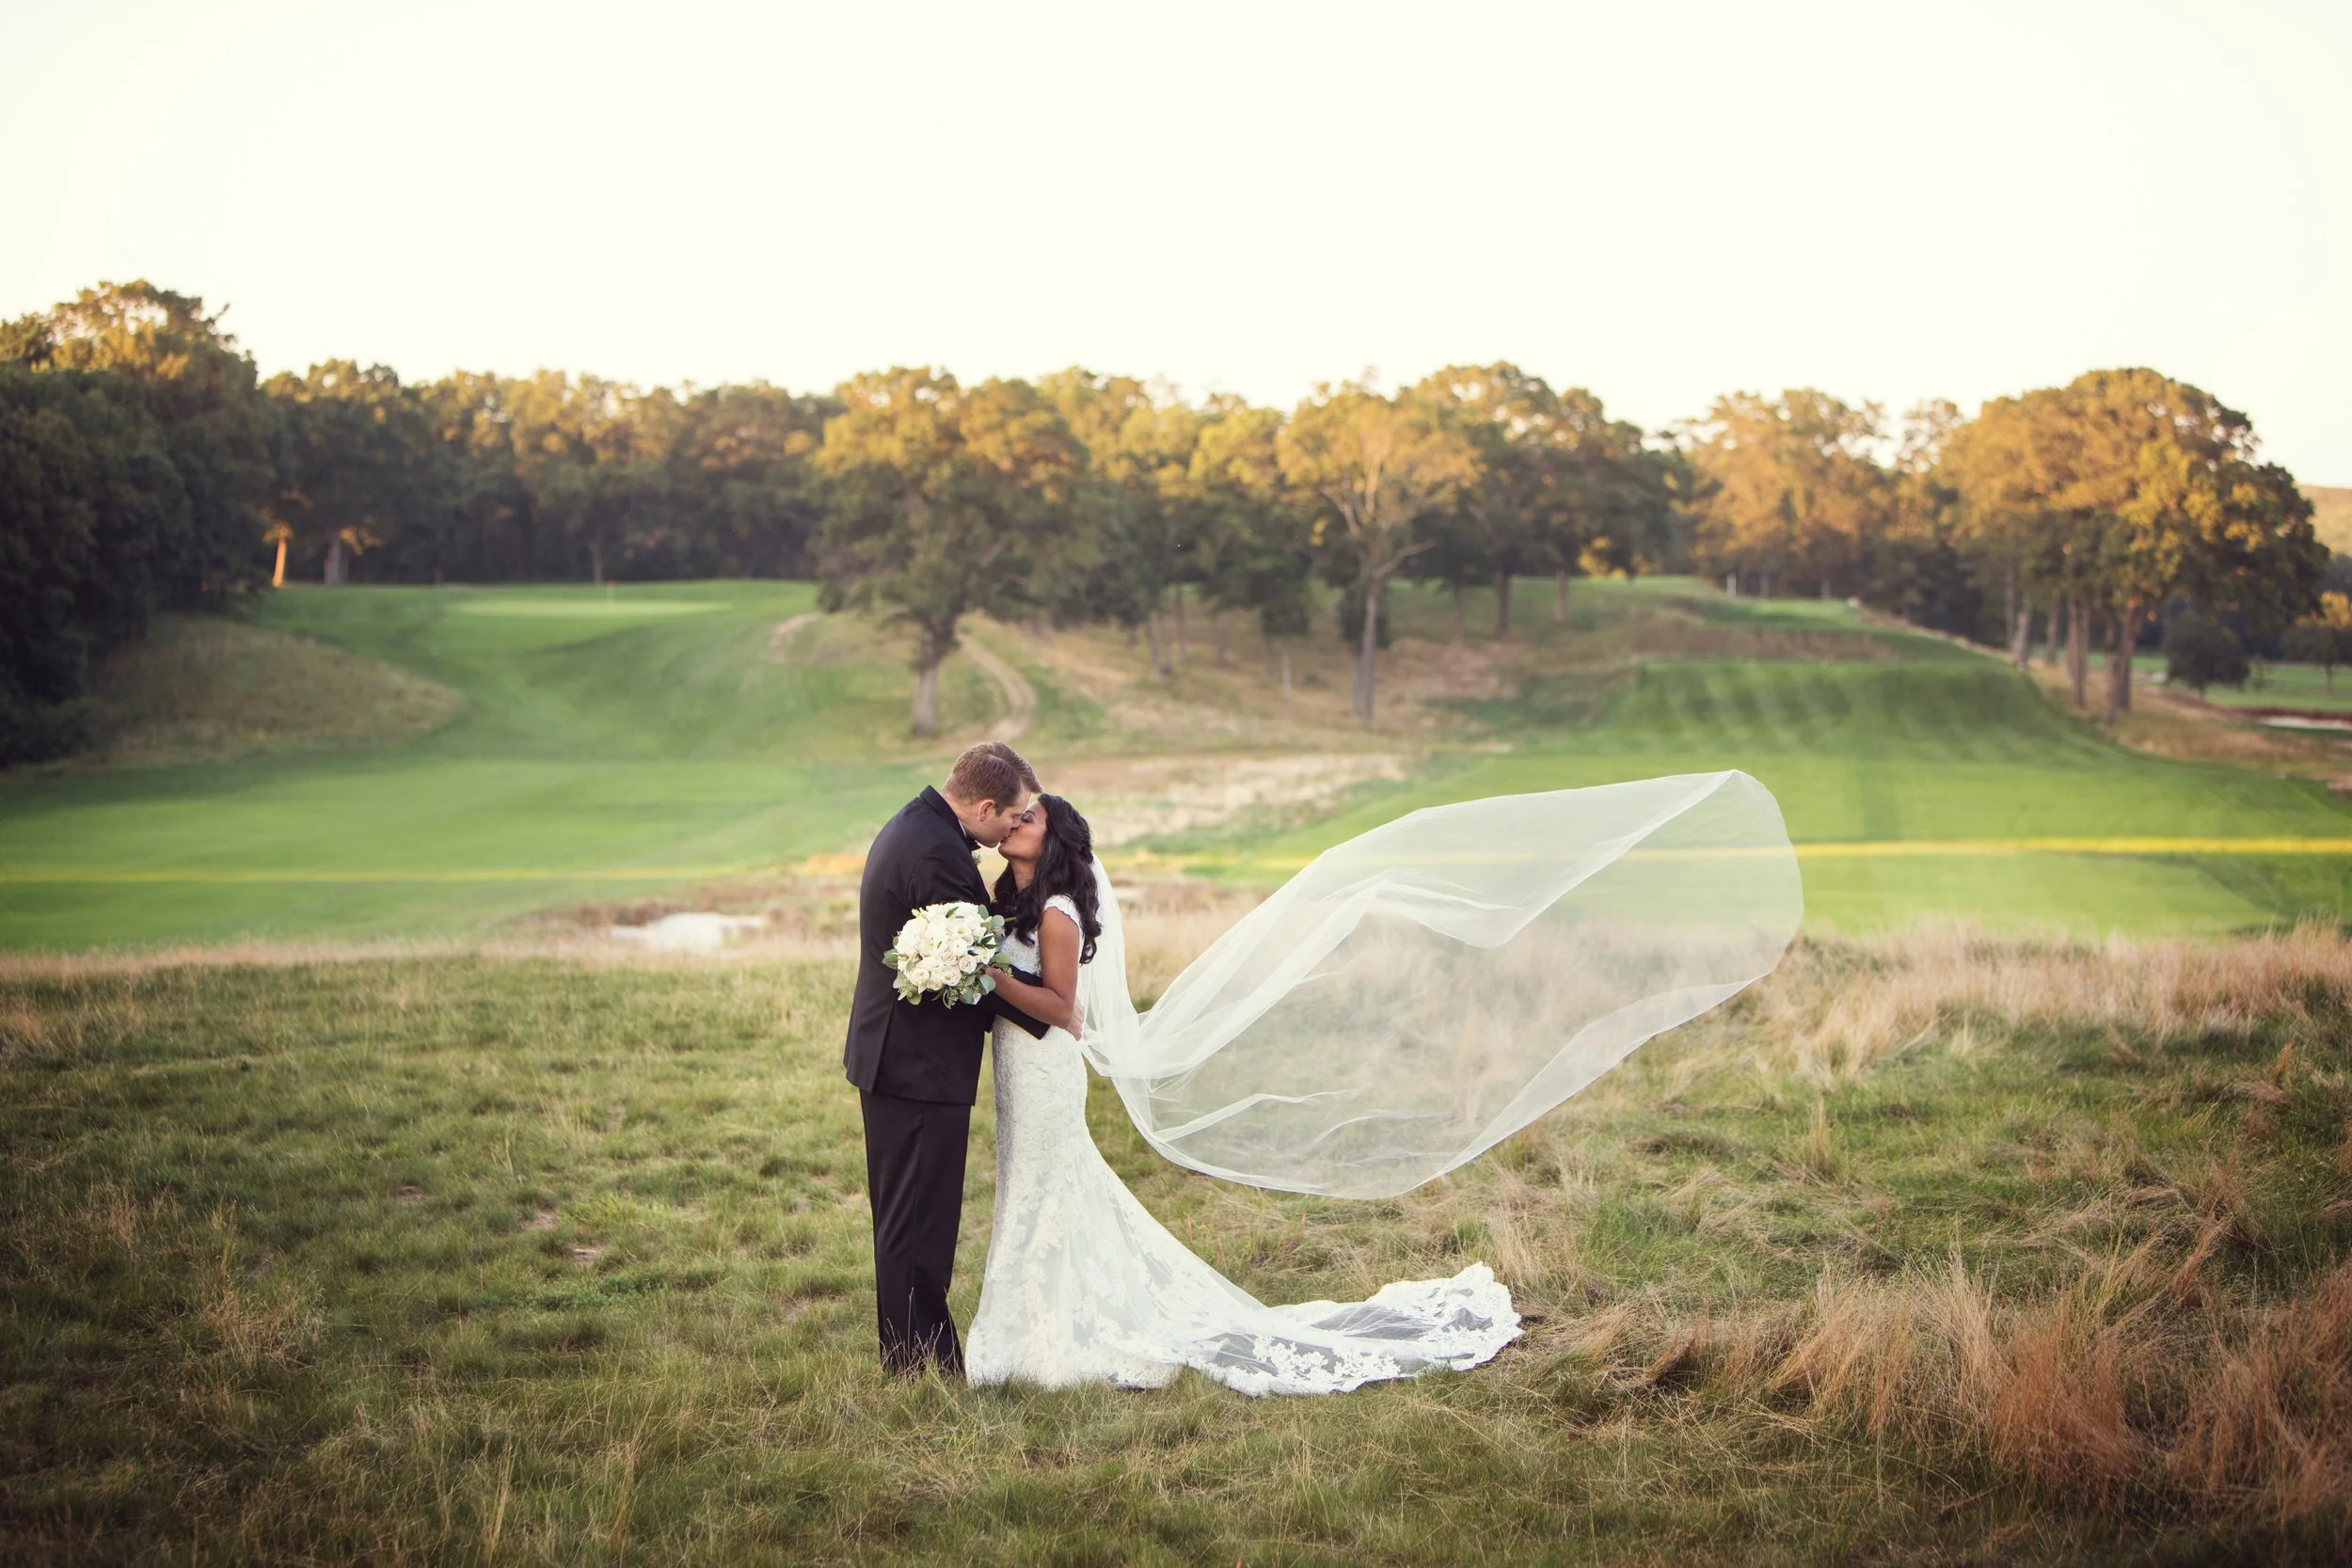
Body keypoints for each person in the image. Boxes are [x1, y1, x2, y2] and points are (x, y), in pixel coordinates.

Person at [965, 794, 1521, 1395]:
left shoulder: (1057, 911)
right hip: (1018, 1068)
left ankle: (1042, 1334)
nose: (1018, 822)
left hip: (1046, 1071)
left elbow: (1059, 1006)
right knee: (1030, 1183)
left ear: (1055, 839)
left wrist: (983, 970)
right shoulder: (1010, 903)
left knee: (1045, 1185)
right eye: (1016, 815)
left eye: (1032, 817)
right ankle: (1039, 1315)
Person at [844, 739, 1041, 1376]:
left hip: (903, 1060)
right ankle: (917, 1364)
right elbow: (971, 969)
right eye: (1012, 817)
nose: (1014, 827)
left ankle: (916, 1355)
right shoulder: (935, 851)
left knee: (913, 1219)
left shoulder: (921, 824)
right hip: (915, 1065)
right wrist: (1048, 1015)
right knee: (916, 1224)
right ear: (985, 806)